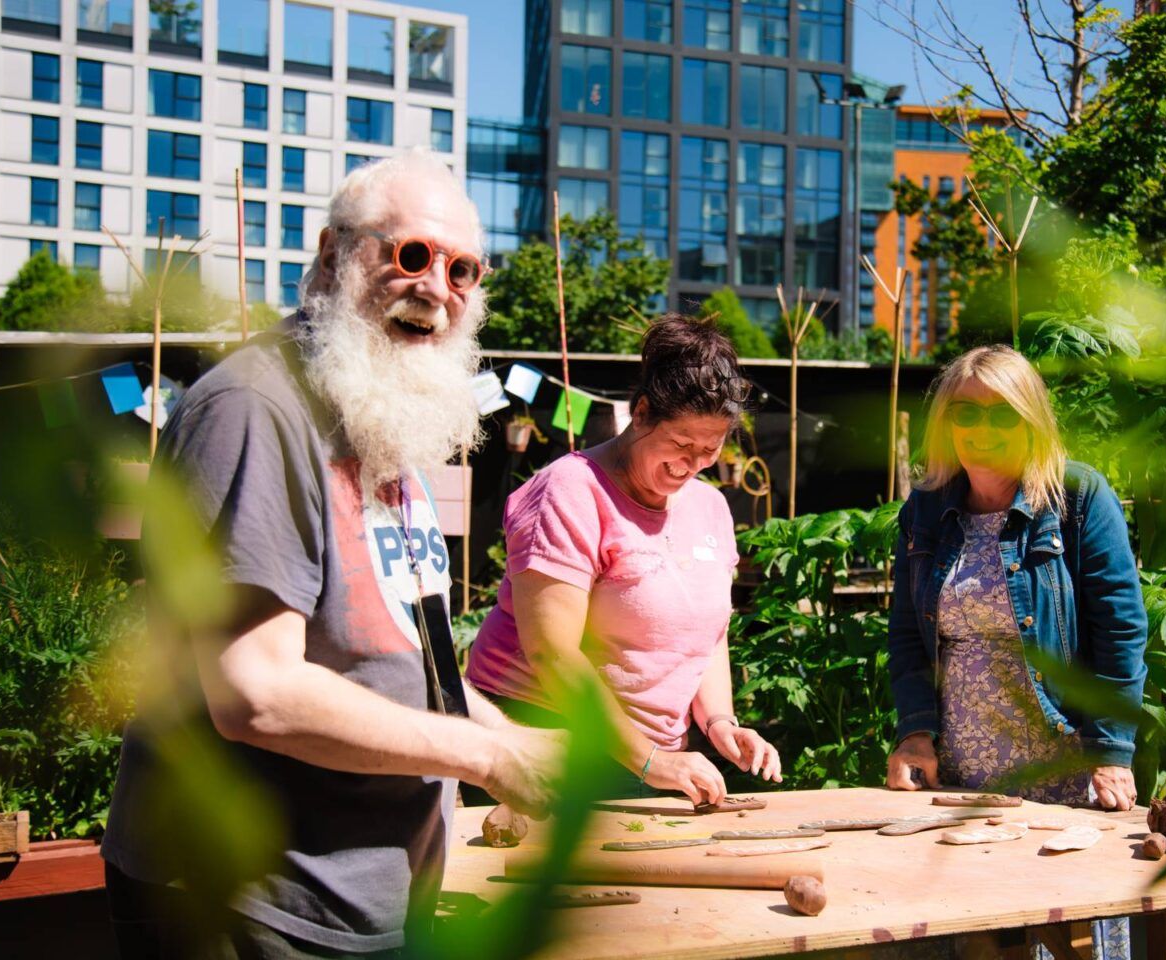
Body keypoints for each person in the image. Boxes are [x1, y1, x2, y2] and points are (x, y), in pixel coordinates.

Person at [101, 150, 563, 958]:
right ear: (333, 255)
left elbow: (408, 669)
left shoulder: (378, 418)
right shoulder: (256, 410)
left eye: (463, 271)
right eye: (410, 255)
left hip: (354, 902)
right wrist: (486, 752)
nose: (436, 289)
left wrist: (522, 742)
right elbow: (256, 691)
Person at [884, 344, 1145, 959]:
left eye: (1003, 414)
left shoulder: (1077, 498)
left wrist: (1111, 752)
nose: (982, 430)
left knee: (1073, 939)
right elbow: (905, 637)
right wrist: (916, 735)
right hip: (967, 781)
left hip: (1065, 768)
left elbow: (1120, 631)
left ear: (1031, 418)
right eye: (966, 414)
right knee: (980, 940)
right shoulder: (924, 508)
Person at [465, 317, 783, 805]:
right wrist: (649, 760)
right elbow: (554, 653)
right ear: (641, 413)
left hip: (646, 757)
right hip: (543, 743)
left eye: (710, 449)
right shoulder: (570, 490)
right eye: (680, 444)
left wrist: (719, 722)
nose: (691, 463)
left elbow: (707, 635)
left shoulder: (711, 507)